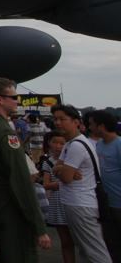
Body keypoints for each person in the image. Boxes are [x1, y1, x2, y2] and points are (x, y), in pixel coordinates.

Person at [0, 77, 51, 262]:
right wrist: (39, 227)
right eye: (14, 97)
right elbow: (20, 181)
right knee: (22, 256)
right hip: (10, 207)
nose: (18, 101)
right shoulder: (4, 132)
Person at [51, 103, 111, 263]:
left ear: (76, 122)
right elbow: (56, 169)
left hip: (80, 204)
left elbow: (65, 177)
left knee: (95, 252)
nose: (58, 123)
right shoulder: (70, 144)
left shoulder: (77, 146)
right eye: (55, 119)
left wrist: (60, 169)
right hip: (75, 203)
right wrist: (61, 168)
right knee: (85, 250)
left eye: (63, 119)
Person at [85, 110, 121, 262]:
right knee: (111, 244)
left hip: (119, 203)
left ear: (101, 126)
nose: (89, 127)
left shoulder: (119, 145)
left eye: (92, 124)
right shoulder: (98, 145)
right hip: (106, 204)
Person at [40, 131, 76, 263]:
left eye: (62, 143)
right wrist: (62, 184)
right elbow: (46, 184)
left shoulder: (73, 159)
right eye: (54, 142)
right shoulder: (48, 163)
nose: (58, 146)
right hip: (57, 202)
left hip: (73, 200)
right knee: (66, 242)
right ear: (49, 143)